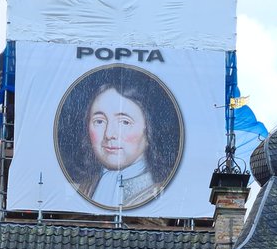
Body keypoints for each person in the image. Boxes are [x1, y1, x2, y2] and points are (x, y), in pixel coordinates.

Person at [55, 66, 182, 210]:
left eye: (124, 122)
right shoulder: (80, 189)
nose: (109, 134)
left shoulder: (164, 195)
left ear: (149, 130)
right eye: (99, 121)